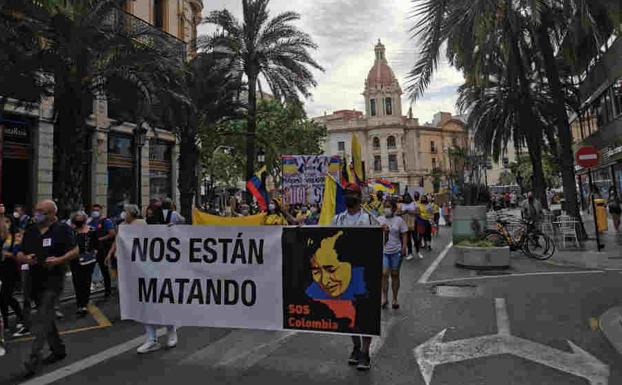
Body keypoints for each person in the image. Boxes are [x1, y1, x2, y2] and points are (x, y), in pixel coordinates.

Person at [18, 200, 79, 377]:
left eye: (42, 212)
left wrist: (59, 260)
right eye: (36, 210)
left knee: (42, 318)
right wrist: (25, 259)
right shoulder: (31, 231)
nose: (37, 214)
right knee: (47, 318)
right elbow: (20, 252)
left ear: (52, 214)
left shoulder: (62, 230)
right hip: (35, 282)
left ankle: (33, 359)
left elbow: (75, 250)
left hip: (54, 281)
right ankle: (58, 350)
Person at [106, 205, 178, 353]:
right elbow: (117, 242)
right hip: (129, 267)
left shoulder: (142, 224)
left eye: (125, 211)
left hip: (147, 266)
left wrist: (168, 230)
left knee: (160, 298)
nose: (123, 214)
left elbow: (155, 236)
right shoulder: (122, 226)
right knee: (141, 301)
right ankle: (151, 338)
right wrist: (111, 254)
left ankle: (171, 331)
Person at [331, 183, 374, 371]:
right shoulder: (337, 219)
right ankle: (356, 347)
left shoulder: (369, 218)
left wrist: (386, 235)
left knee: (365, 314)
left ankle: (365, 352)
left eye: (352, 194)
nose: (348, 196)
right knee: (349, 315)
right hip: (343, 274)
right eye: (346, 193)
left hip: (364, 272)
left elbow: (380, 242)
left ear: (359, 196)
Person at [377, 199, 408, 310]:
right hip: (384, 251)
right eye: (385, 206)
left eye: (389, 206)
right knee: (384, 274)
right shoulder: (379, 219)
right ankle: (384, 298)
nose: (386, 209)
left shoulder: (399, 220)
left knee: (395, 275)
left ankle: (395, 299)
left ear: (394, 208)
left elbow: (404, 233)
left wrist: (404, 247)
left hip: (396, 251)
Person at [70, 212, 97, 316]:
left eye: (80, 218)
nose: (79, 220)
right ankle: (79, 304)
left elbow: (95, 244)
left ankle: (84, 303)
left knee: (86, 281)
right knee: (77, 281)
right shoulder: (71, 232)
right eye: (76, 218)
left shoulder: (91, 230)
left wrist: (95, 252)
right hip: (75, 260)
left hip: (89, 259)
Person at [1, 216, 24, 335]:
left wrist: (7, 254)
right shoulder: (2, 236)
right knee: (2, 298)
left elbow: (19, 254)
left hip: (10, 269)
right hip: (1, 268)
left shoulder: (16, 236)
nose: (4, 224)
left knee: (6, 296)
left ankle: (21, 316)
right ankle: (5, 323)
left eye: (7, 221)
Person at [88, 204, 115, 299]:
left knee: (104, 270)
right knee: (89, 270)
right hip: (91, 249)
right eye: (94, 210)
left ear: (100, 211)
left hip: (102, 249)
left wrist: (100, 239)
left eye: (97, 210)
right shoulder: (90, 222)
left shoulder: (106, 221)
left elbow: (112, 234)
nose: (95, 212)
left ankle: (108, 291)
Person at [398, 194, 416, 260]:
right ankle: (406, 252)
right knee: (404, 239)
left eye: (408, 197)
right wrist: (404, 212)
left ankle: (413, 251)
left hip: (412, 223)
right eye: (405, 198)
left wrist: (409, 212)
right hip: (403, 223)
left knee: (413, 239)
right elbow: (398, 213)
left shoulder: (413, 203)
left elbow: (417, 212)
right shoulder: (401, 205)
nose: (406, 199)